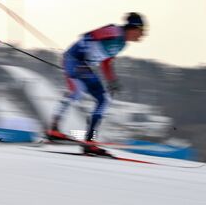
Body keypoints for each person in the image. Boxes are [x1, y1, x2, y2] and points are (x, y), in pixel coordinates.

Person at [46, 13, 146, 154]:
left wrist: (112, 80)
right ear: (134, 28)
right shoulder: (115, 31)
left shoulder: (122, 44)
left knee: (77, 92)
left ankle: (54, 130)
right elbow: (88, 36)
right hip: (76, 60)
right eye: (142, 31)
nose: (142, 35)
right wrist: (81, 58)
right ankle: (89, 141)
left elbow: (105, 62)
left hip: (78, 62)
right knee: (102, 99)